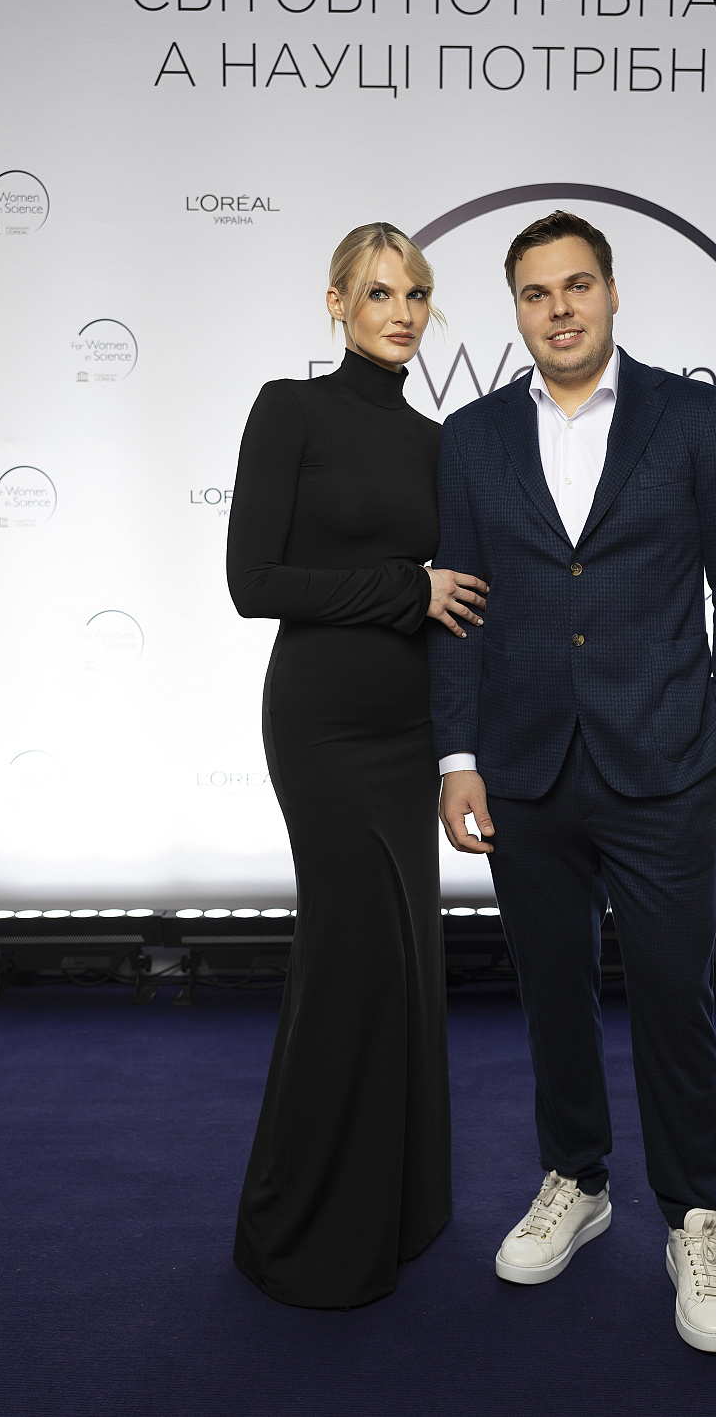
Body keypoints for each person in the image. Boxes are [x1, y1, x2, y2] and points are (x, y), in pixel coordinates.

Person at [427, 210, 716, 1353]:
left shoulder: (696, 418)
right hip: (524, 765)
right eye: (535, 293)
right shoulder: (471, 437)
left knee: (674, 995)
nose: (559, 309)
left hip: (666, 761)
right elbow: (458, 607)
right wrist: (457, 756)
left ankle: (694, 1216)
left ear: (612, 292)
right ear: (516, 310)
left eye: (577, 285)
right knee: (552, 990)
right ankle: (576, 1180)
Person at [226, 222, 488, 1309]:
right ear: (336, 303)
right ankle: (306, 1227)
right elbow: (253, 582)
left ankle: (399, 1206)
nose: (402, 312)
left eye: (416, 294)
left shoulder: (439, 442)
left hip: (408, 732)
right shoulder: (289, 410)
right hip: (323, 728)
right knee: (348, 957)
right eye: (378, 292)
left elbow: (461, 606)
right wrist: (402, 587)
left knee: (406, 963)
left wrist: (459, 750)